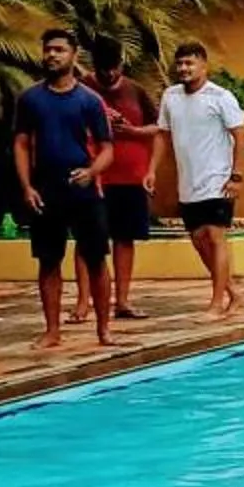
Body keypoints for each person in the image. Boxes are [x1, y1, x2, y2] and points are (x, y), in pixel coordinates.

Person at [11, 26, 116, 352]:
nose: (52, 55)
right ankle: (52, 330)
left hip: (83, 191)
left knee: (97, 258)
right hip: (46, 189)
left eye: (59, 49)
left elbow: (107, 147)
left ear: (73, 55)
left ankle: (103, 329)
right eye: (48, 49)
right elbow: (22, 144)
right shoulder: (30, 99)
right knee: (48, 260)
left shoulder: (89, 100)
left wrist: (92, 170)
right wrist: (27, 186)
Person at [159, 41, 244, 317]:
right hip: (189, 183)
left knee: (215, 236)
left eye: (190, 63)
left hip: (217, 179)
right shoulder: (170, 97)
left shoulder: (221, 97)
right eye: (180, 63)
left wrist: (237, 175)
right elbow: (162, 134)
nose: (184, 68)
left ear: (203, 66)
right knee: (198, 240)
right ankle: (233, 293)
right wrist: (151, 169)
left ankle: (216, 303)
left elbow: (240, 136)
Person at [80, 35, 159, 327]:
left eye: (114, 68)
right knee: (89, 239)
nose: (110, 75)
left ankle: (122, 301)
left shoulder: (136, 90)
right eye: (104, 69)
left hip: (130, 176)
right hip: (96, 175)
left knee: (125, 238)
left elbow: (157, 128)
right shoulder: (83, 89)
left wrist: (131, 131)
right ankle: (83, 302)